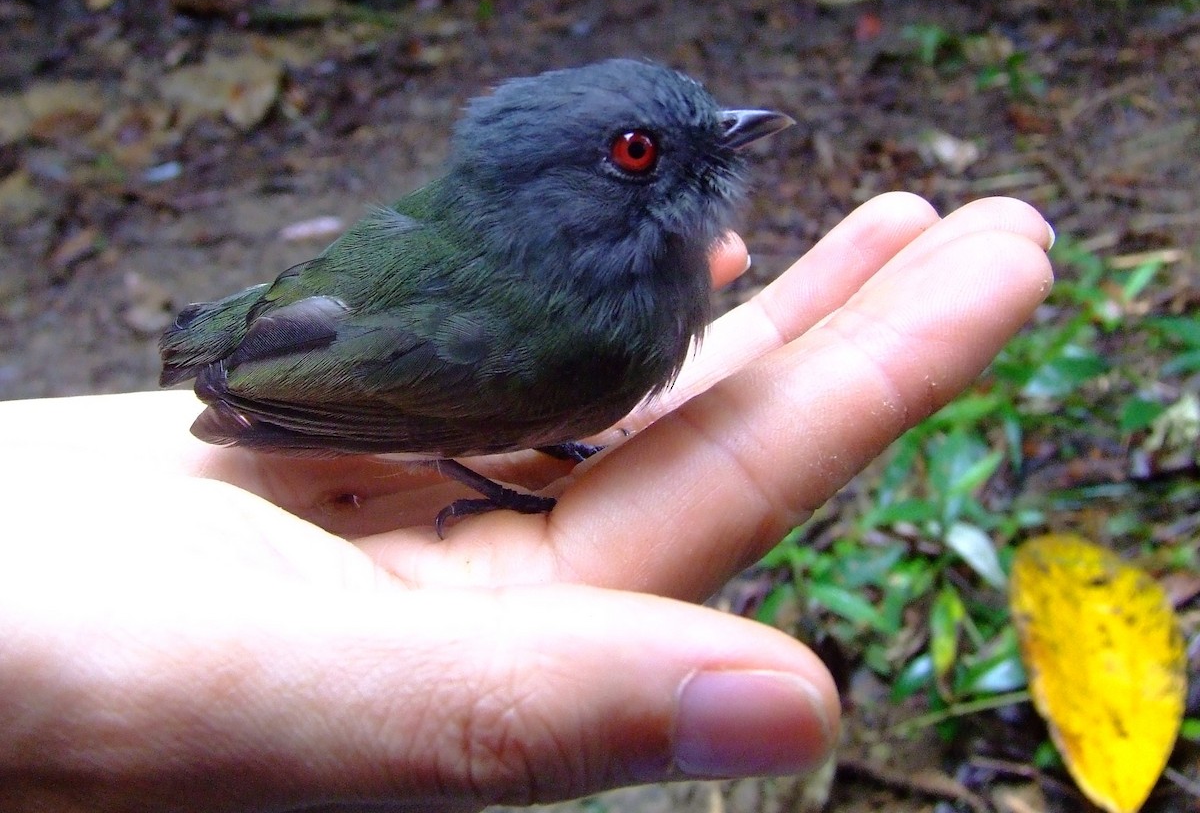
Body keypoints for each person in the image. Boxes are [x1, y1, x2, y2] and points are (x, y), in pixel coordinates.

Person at [0, 192, 1054, 812]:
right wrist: (483, 479)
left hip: (326, 334)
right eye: (640, 156)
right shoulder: (579, 333)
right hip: (329, 364)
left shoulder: (589, 276)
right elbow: (422, 400)